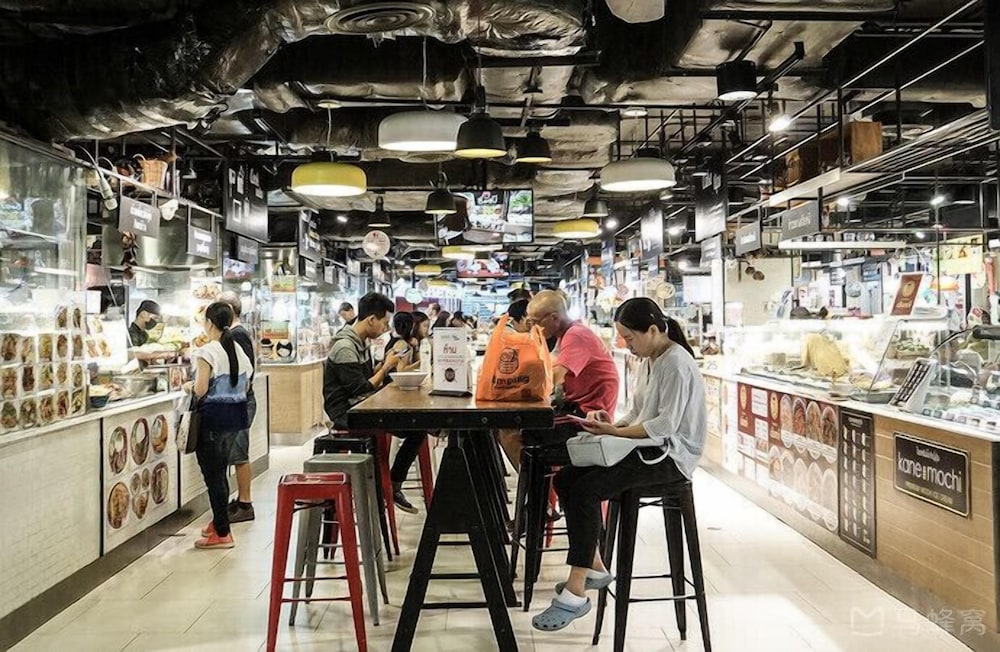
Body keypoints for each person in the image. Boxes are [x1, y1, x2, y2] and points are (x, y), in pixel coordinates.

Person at [532, 298, 706, 631]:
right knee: (566, 479)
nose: (626, 344)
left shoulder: (675, 363)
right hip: (649, 448)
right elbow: (638, 414)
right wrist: (609, 424)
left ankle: (576, 591)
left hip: (671, 457)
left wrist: (616, 432)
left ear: (652, 330)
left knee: (586, 489)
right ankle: (595, 565)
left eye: (629, 337)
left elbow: (665, 426)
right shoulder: (651, 360)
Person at [498, 290, 619, 470]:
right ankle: (540, 482)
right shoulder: (568, 334)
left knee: (510, 432)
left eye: (536, 322)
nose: (534, 328)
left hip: (587, 415)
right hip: (577, 407)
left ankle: (535, 487)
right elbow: (550, 367)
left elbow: (554, 378)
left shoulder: (575, 336)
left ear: (554, 318)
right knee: (517, 423)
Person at [186, 302, 253, 550]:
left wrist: (187, 387)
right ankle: (218, 522)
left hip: (212, 420)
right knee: (221, 471)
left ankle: (223, 533)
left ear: (210, 323)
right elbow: (246, 384)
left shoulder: (207, 352)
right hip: (235, 419)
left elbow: (201, 389)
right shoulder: (238, 350)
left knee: (214, 477)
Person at [323, 292, 402, 429]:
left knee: (407, 417)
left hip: (361, 405)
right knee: (409, 425)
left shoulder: (362, 342)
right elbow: (360, 389)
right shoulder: (345, 347)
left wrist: (383, 364)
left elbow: (364, 378)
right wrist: (386, 368)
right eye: (385, 323)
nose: (386, 328)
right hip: (347, 413)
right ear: (371, 320)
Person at [382, 311, 430, 514]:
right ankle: (394, 484)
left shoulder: (400, 343)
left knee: (420, 429)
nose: (426, 330)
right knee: (418, 430)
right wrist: (424, 361)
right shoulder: (401, 345)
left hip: (391, 398)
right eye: (424, 326)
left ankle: (393, 483)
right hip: (392, 400)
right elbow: (401, 372)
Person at [218, 291, 256, 523]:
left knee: (239, 454)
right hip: (237, 401)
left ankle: (245, 504)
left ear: (230, 311)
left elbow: (244, 373)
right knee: (235, 452)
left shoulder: (237, 334)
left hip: (239, 402)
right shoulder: (236, 333)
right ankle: (240, 501)